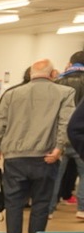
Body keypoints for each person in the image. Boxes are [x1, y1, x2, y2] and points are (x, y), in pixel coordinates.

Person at [0, 58, 76, 233]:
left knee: (13, 204)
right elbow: (65, 123)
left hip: (14, 158)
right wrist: (59, 148)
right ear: (53, 74)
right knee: (41, 204)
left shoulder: (11, 94)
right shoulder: (65, 93)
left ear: (30, 74)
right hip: (46, 158)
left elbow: (0, 121)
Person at [49, 51, 84, 217]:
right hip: (81, 136)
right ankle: (82, 209)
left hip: (61, 135)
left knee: (56, 174)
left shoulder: (58, 81)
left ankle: (49, 207)